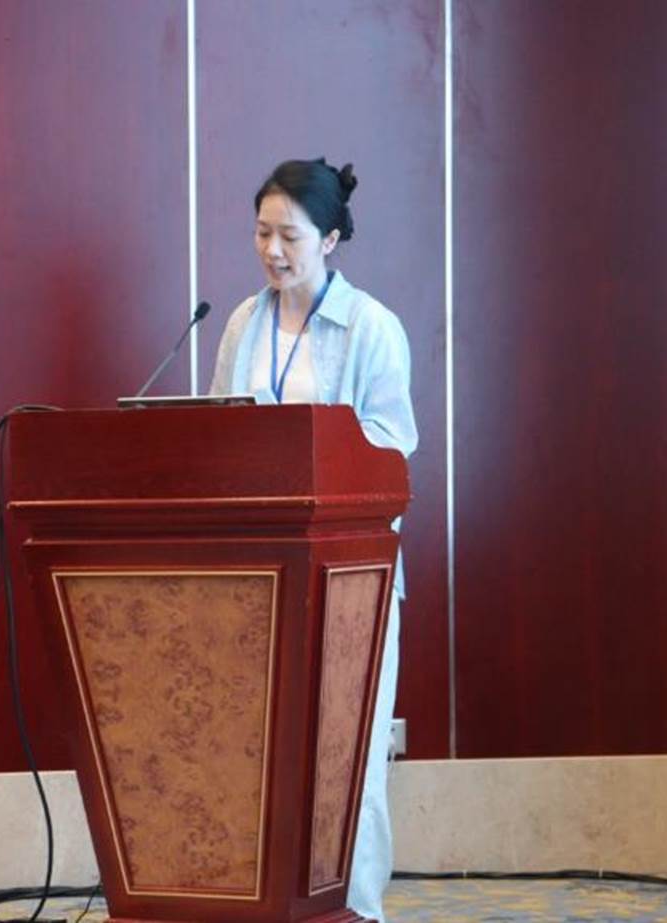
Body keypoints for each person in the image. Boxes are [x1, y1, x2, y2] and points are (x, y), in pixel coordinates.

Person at [210, 158, 416, 921]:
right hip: (256, 572)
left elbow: (392, 447)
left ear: (329, 238)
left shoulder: (371, 327)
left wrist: (312, 461)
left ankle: (354, 908)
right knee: (256, 750)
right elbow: (218, 430)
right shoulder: (243, 321)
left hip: (347, 576)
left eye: (290, 235)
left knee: (344, 754)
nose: (272, 250)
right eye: (262, 232)